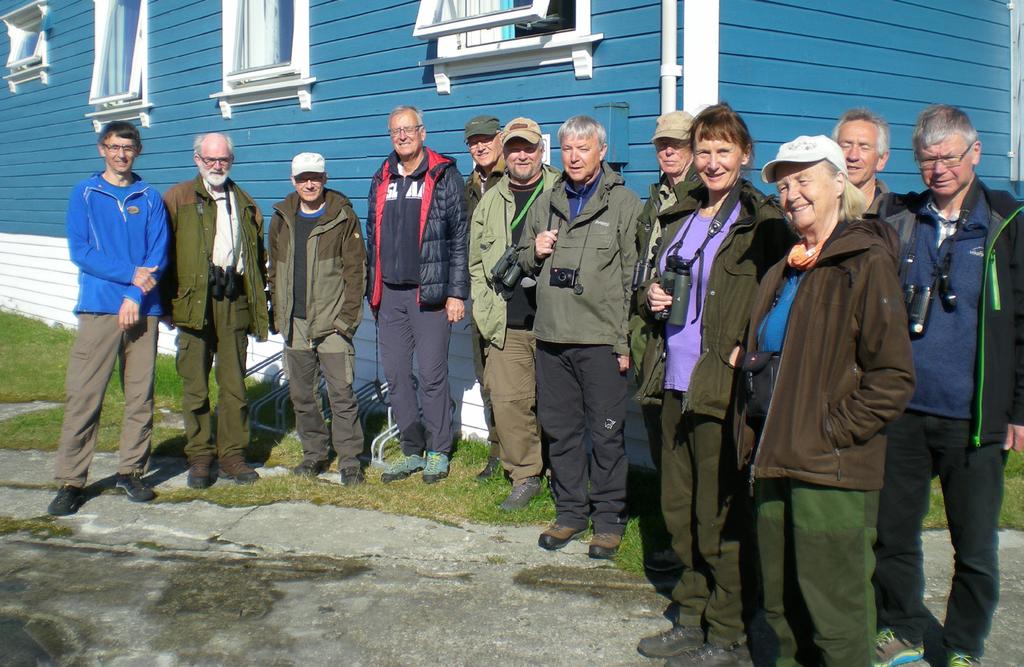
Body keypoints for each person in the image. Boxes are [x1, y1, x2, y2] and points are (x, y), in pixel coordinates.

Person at [740, 135, 914, 666]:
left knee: (835, 619)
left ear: (840, 183)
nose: (791, 194)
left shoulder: (864, 261)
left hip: (829, 472)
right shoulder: (784, 270)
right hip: (774, 463)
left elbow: (892, 378)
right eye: (784, 184)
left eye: (803, 180)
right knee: (782, 613)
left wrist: (829, 431)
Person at [634, 104, 792, 665]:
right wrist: (650, 297)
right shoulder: (679, 214)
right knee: (677, 508)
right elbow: (650, 281)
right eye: (704, 150)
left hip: (720, 385)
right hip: (670, 377)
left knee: (717, 513)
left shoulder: (763, 220)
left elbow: (782, 299)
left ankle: (728, 631)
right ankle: (692, 613)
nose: (712, 160)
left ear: (744, 155)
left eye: (724, 150)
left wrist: (749, 349)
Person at [872, 105, 1024, 667]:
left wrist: (1019, 412)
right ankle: (904, 629)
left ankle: (963, 645)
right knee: (894, 534)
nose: (938, 169)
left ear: (975, 153)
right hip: (905, 411)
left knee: (977, 547)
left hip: (974, 414)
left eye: (949, 157)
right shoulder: (901, 221)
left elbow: (1023, 324)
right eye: (927, 159)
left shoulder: (1008, 222)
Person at [519, 114, 642, 559]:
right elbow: (521, 258)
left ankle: (608, 520)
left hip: (600, 340)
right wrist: (533, 250)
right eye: (568, 148)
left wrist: (624, 342)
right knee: (561, 431)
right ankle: (571, 512)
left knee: (607, 433)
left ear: (601, 152)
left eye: (583, 148)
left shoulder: (625, 204)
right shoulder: (547, 199)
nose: (574, 156)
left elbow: (633, 278)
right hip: (551, 337)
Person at [47, 121, 169, 516]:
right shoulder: (85, 193)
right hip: (99, 307)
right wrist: (127, 277)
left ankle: (130, 471)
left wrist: (136, 292)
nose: (121, 154)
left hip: (143, 310)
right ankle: (70, 480)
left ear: (138, 151)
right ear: (102, 148)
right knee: (85, 395)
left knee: (139, 395)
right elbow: (81, 251)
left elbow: (158, 254)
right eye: (115, 147)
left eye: (128, 148)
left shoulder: (149, 197)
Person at [366, 105, 468, 484]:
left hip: (431, 295)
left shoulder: (443, 175)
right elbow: (372, 236)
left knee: (432, 374)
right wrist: (372, 290)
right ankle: (412, 449)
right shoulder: (382, 177)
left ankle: (439, 449)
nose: (403, 136)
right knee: (395, 374)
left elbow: (460, 237)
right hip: (390, 293)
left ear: (422, 132)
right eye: (396, 131)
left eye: (409, 129)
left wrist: (457, 294)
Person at [162, 133, 269, 488]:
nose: (217, 166)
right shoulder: (177, 198)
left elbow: (257, 259)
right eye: (210, 160)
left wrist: (258, 305)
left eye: (223, 160)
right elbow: (160, 254)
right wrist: (164, 304)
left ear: (231, 161)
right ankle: (199, 456)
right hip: (193, 301)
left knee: (234, 383)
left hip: (233, 298)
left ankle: (232, 455)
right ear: (197, 160)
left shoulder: (244, 201)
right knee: (195, 384)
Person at [469, 117, 559, 511]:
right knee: (508, 402)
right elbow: (476, 263)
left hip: (558, 322)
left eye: (530, 147)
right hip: (507, 321)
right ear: (505, 152)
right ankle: (524, 475)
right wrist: (483, 308)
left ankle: (561, 473)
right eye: (515, 148)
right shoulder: (489, 201)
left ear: (542, 150)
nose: (522, 154)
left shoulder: (563, 192)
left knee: (557, 404)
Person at [268, 153, 367, 486]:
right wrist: (279, 313)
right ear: (292, 181)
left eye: (315, 177)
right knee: (302, 395)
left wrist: (347, 321)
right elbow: (274, 270)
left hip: (332, 325)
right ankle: (314, 455)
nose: (309, 184)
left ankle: (350, 461)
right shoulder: (281, 218)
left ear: (325, 178)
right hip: (295, 324)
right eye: (302, 178)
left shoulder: (343, 217)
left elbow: (356, 272)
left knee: (341, 395)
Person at [631, 110, 700, 471]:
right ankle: (665, 512)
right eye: (663, 144)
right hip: (648, 328)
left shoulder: (705, 195)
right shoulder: (655, 198)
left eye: (677, 144)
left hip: (686, 328)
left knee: (685, 431)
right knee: (655, 421)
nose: (669, 151)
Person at [463, 114, 505, 480]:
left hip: (514, 298)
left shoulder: (518, 178)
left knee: (521, 383)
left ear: (500, 137)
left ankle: (529, 456)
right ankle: (496, 450)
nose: (480, 146)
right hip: (480, 297)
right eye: (474, 142)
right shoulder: (469, 186)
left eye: (486, 139)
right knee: (487, 378)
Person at [833, 108, 890, 214]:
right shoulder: (818, 214)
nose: (853, 156)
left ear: (881, 160)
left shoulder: (899, 216)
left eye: (864, 147)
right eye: (846, 145)